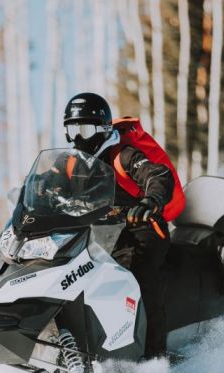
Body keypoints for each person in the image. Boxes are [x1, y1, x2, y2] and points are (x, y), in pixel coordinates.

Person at [59, 92, 183, 359]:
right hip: (101, 234)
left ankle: (152, 357)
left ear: (103, 130)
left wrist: (151, 199)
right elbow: (48, 181)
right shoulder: (72, 163)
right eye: (73, 130)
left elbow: (156, 173)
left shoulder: (122, 155)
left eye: (86, 129)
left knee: (137, 277)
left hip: (142, 230)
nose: (79, 138)